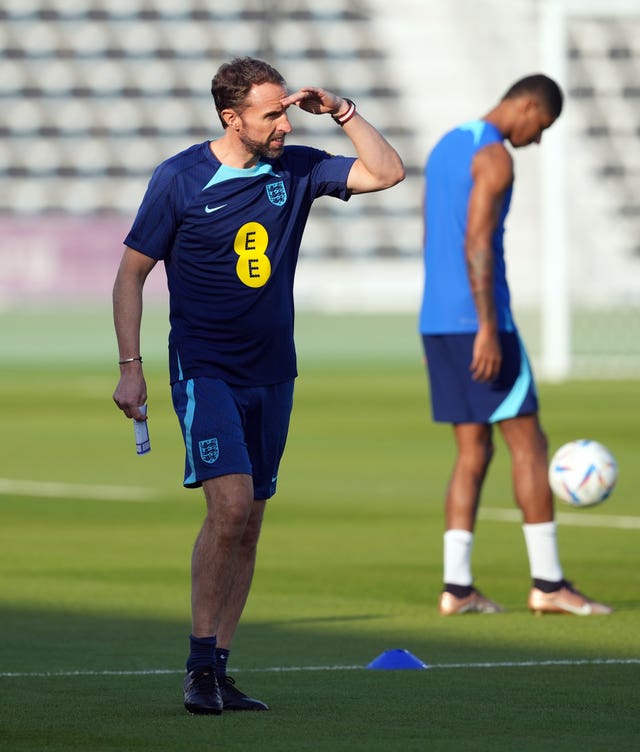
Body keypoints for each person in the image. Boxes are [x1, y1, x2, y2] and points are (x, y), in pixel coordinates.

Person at [112, 56, 404, 715]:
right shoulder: (180, 178)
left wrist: (343, 111)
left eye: (286, 112)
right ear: (231, 118)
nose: (284, 124)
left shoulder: (296, 168)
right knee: (231, 507)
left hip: (274, 371)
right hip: (205, 368)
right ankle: (197, 667)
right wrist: (131, 366)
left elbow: (387, 172)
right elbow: (130, 275)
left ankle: (219, 669)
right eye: (272, 114)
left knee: (250, 523)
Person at [419, 73, 612, 617]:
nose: (539, 138)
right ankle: (549, 583)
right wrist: (486, 325)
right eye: (542, 125)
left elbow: (434, 234)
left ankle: (457, 588)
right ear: (526, 106)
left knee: (473, 450)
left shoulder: (446, 145)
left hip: (437, 319)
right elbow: (477, 242)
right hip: (480, 322)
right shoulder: (496, 157)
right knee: (530, 442)